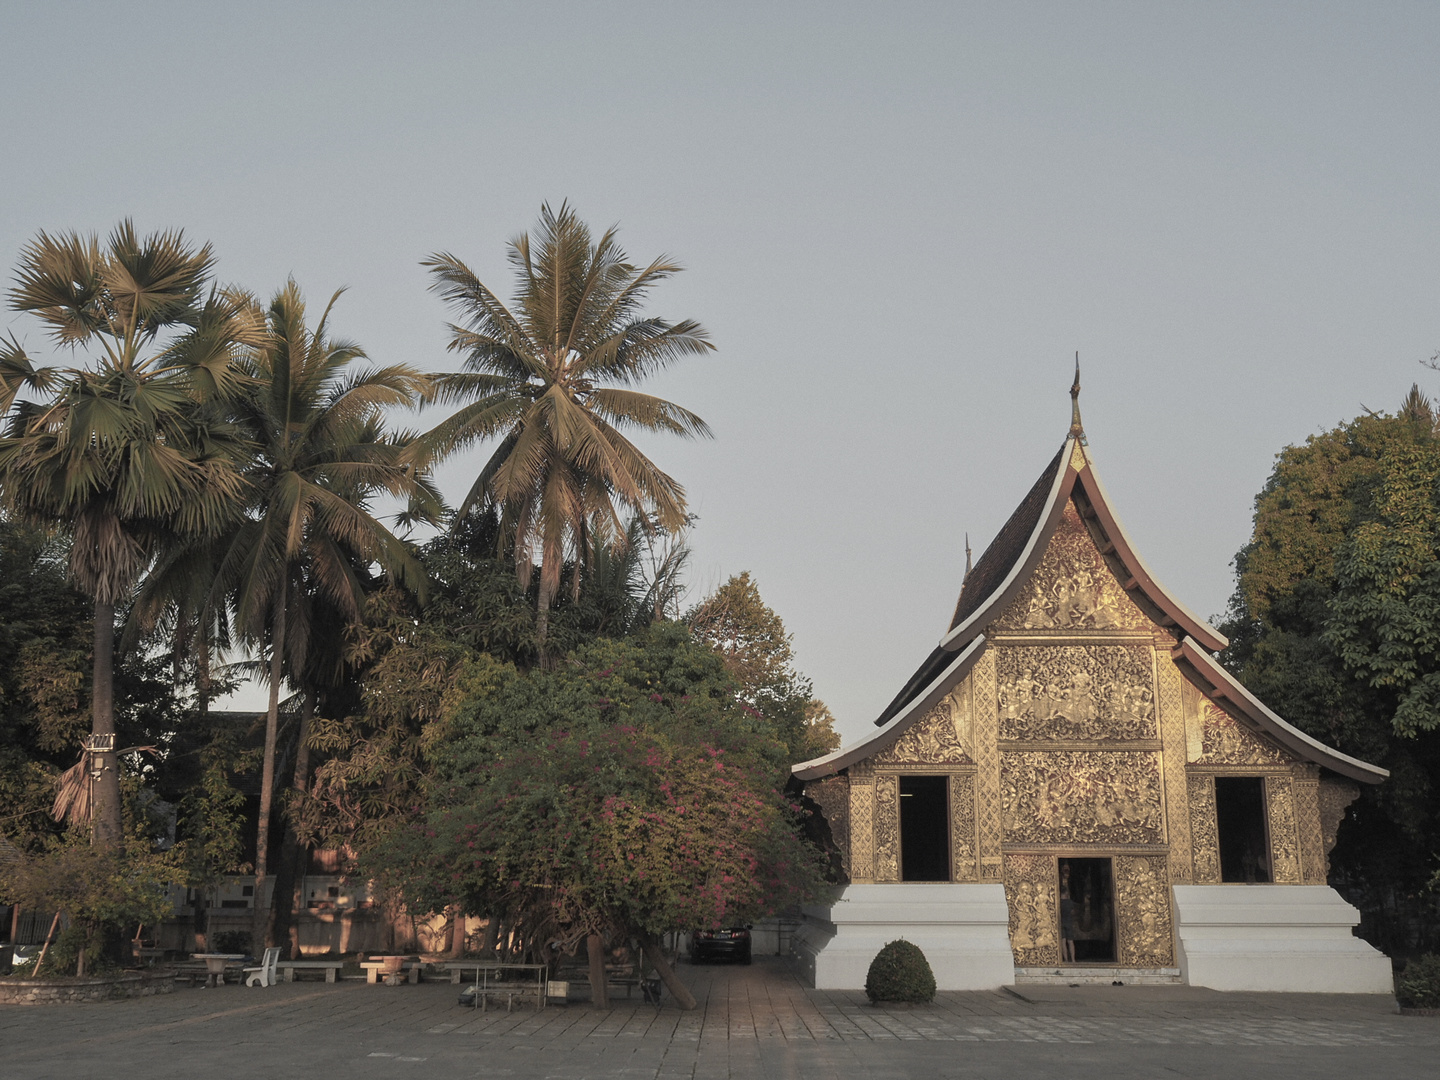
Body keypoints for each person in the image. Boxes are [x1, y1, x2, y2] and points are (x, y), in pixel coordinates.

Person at [1059, 863, 1077, 963]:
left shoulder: (1058, 904)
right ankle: (1073, 959)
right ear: (1066, 894)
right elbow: (1073, 912)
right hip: (1069, 922)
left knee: (1063, 941)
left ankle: (1065, 959)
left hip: (1061, 923)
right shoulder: (1070, 903)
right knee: (1070, 942)